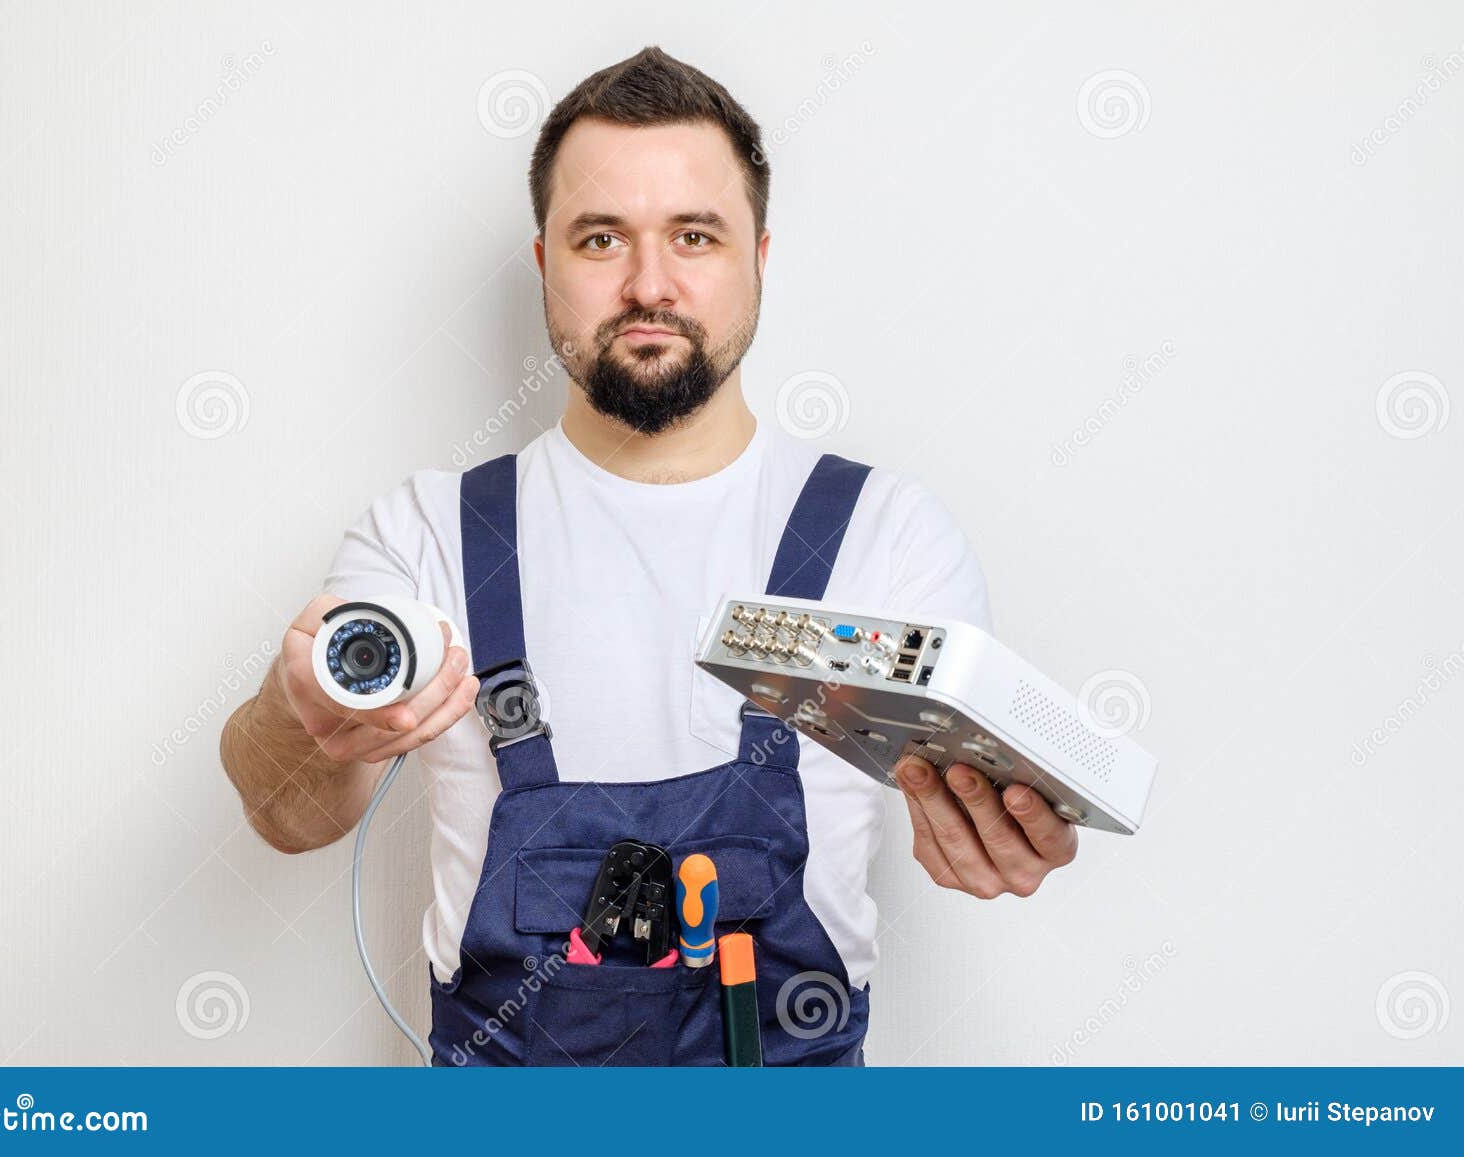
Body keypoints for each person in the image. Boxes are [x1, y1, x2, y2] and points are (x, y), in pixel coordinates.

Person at [220, 46, 1077, 1066]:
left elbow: (982, 810)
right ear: (546, 263)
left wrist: (1005, 836)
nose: (648, 283)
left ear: (758, 255)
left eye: (694, 235)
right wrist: (295, 713)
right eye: (599, 239)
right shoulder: (425, 534)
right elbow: (288, 814)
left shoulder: (887, 534)